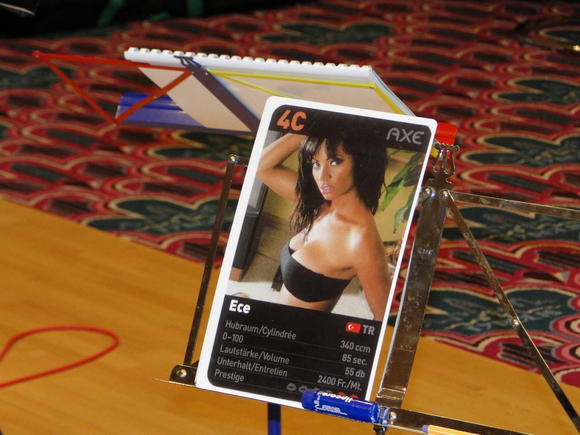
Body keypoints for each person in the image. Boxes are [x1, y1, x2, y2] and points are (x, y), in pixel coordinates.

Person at [256, 130, 391, 321]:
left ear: (363, 162)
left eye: (335, 162)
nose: (322, 176)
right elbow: (262, 167)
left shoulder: (361, 240)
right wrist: (310, 127)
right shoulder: (321, 203)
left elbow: (385, 319)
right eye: (316, 163)